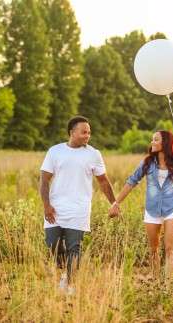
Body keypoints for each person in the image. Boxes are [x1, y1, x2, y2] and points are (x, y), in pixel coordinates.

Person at [39, 116, 120, 294]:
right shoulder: (55, 151)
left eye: (89, 132)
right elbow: (44, 180)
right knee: (52, 244)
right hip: (55, 208)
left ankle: (71, 284)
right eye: (84, 132)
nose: (87, 135)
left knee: (74, 247)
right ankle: (63, 275)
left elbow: (103, 182)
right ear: (72, 132)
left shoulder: (93, 154)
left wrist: (114, 202)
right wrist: (46, 205)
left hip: (79, 209)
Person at [109, 130, 173, 279]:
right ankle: (155, 280)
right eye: (152, 140)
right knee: (154, 249)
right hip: (152, 210)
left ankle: (168, 286)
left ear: (165, 143)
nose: (152, 142)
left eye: (156, 140)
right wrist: (116, 202)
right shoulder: (147, 163)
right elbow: (131, 182)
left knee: (170, 248)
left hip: (171, 210)